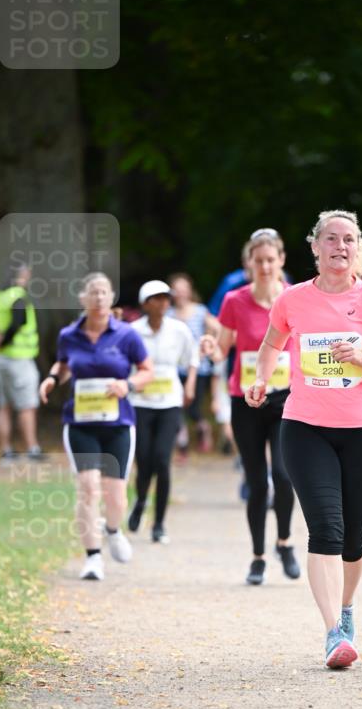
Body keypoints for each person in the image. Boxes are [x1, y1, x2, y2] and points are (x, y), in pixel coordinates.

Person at [246, 210, 362, 669]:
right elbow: (271, 344)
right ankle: (333, 633)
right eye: (332, 239)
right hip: (305, 427)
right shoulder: (293, 300)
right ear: (315, 247)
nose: (341, 246)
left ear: (358, 248)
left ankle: (347, 608)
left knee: (354, 537)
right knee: (327, 529)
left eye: (350, 239)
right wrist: (261, 379)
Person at [39, 273, 153, 581]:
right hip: (80, 423)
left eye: (104, 292)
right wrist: (52, 379)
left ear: (111, 297)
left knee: (116, 495)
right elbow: (63, 365)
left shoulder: (126, 335)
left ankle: (113, 529)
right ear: (83, 299)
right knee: (88, 488)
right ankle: (92, 558)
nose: (99, 297)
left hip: (118, 423)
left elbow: (147, 371)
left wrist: (127, 384)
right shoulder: (69, 335)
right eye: (94, 292)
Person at [203, 228, 300, 585]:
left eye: (270, 260)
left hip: (285, 397)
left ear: (281, 261)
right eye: (258, 260)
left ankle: (285, 542)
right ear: (248, 264)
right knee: (257, 481)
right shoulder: (234, 300)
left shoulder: (294, 298)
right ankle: (258, 556)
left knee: (284, 475)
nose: (264, 266)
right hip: (245, 398)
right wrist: (210, 348)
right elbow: (223, 348)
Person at [128, 280, 199, 544]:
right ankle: (141, 500)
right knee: (144, 459)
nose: (162, 303)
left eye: (165, 298)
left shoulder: (178, 330)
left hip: (169, 401)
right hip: (140, 402)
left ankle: (159, 523)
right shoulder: (132, 332)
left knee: (162, 459)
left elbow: (192, 358)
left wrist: (190, 382)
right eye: (156, 298)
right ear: (145, 303)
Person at [0, 263, 43, 462]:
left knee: (4, 405)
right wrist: (5, 340)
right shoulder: (18, 296)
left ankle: (6, 451)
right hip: (19, 358)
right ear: (22, 275)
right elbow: (18, 322)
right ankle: (32, 449)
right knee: (27, 405)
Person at [168, 272, 217, 455]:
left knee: (194, 409)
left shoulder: (200, 311)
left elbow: (217, 328)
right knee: (177, 406)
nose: (180, 294)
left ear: (189, 291)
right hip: (175, 368)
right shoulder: (168, 313)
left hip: (200, 368)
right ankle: (182, 444)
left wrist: (210, 345)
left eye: (183, 290)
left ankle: (203, 428)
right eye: (176, 290)